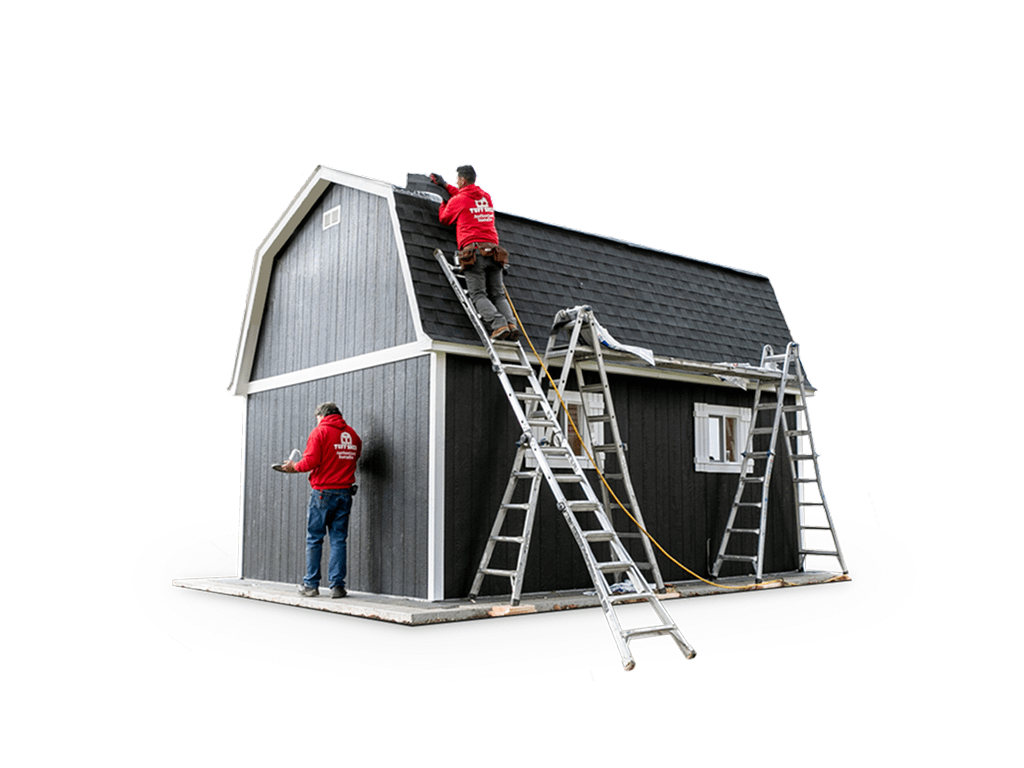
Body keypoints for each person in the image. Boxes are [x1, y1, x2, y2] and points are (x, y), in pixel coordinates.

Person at [281, 402, 362, 598]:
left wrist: (294, 467)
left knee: (315, 538)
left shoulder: (320, 432)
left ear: (321, 416)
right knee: (339, 540)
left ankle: (311, 585)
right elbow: (354, 457)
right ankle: (337, 586)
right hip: (345, 493)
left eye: (317, 418)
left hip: (323, 493)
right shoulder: (353, 435)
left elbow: (311, 461)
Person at [430, 165, 519, 341]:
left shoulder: (458, 201)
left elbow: (444, 218)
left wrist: (444, 200)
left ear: (463, 180)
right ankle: (511, 325)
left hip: (475, 252)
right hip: (494, 252)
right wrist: (446, 185)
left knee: (478, 294)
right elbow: (465, 196)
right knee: (498, 294)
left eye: (457, 179)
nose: (456, 182)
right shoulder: (486, 197)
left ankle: (499, 324)